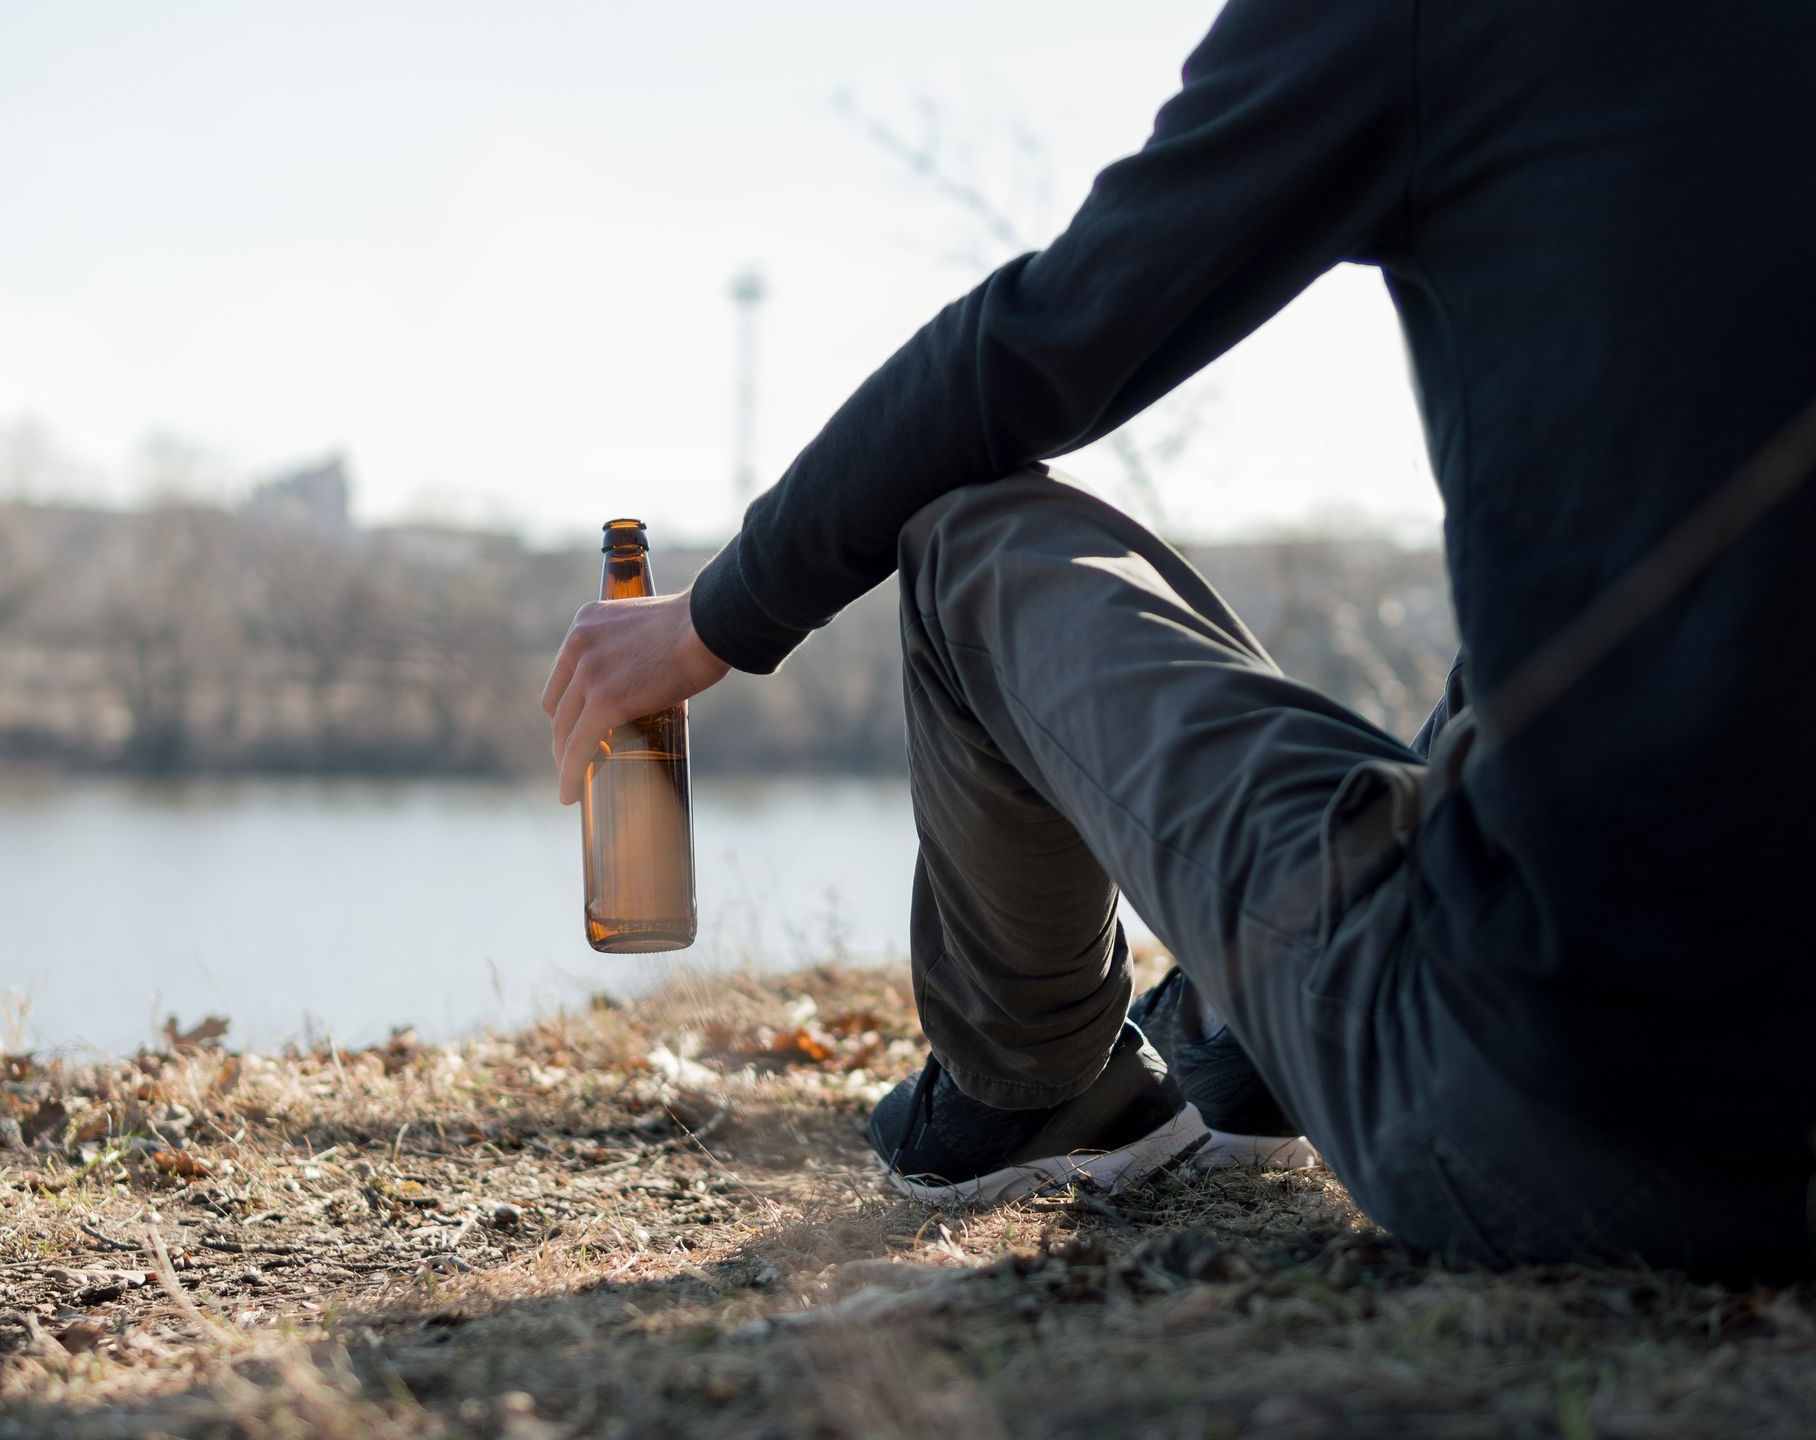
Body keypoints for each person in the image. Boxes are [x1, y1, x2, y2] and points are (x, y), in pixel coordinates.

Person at [542, 0, 1816, 1281]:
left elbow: (1036, 349)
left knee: (965, 542)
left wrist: (714, 620)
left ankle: (1043, 1088)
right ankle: (1240, 1038)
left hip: (1585, 1117)